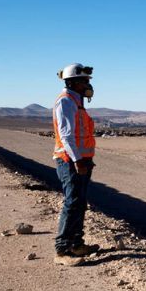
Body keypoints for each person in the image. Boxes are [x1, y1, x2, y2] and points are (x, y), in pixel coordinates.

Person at [52, 63, 100, 266]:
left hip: (81, 160)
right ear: (73, 82)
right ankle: (62, 251)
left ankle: (77, 244)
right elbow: (66, 136)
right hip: (70, 161)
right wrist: (78, 160)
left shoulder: (76, 102)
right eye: (85, 81)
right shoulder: (65, 102)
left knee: (80, 203)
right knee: (72, 203)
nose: (88, 84)